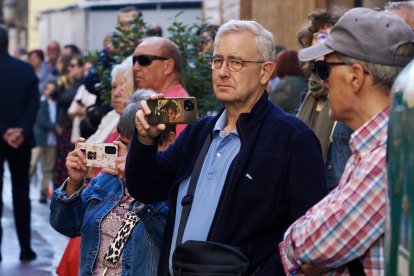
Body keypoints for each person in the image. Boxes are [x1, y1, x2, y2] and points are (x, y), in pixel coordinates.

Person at [126, 19, 327, 274]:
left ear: (265, 72)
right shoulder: (199, 132)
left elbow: (310, 239)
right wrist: (144, 141)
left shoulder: (292, 138)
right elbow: (145, 187)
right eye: (217, 60)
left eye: (236, 62)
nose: (222, 71)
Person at [279, 7, 414, 275]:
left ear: (355, 76)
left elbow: (311, 243)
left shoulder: (388, 156)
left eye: (324, 68)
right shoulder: (371, 147)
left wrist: (296, 246)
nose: (321, 80)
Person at [50, 88, 173, 276]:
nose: (119, 149)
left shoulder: (174, 186)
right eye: (120, 141)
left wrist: (139, 184)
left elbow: (170, 240)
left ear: (166, 142)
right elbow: (66, 225)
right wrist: (74, 183)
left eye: (132, 145)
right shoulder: (107, 180)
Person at [296, 8, 352, 191]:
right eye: (320, 36)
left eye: (333, 36)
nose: (326, 42)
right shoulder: (308, 93)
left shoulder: (350, 96)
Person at [0, 25, 39, 261]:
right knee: (21, 193)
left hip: (4, 137)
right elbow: (34, 104)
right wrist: (20, 130)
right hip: (21, 141)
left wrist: (4, 131)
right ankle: (26, 247)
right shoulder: (25, 69)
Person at [133, 36, 189, 135]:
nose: (135, 67)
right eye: (134, 61)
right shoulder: (165, 102)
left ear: (168, 66)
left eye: (144, 60)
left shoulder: (176, 106)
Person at [30, 80, 60, 203]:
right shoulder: (40, 101)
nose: (50, 91)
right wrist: (55, 127)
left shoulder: (57, 104)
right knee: (31, 164)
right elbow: (41, 119)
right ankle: (23, 187)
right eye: (49, 88)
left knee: (48, 167)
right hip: (40, 138)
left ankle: (43, 191)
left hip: (52, 140)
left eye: (53, 89)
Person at [269, 49, 307, 114]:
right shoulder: (304, 82)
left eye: (276, 62)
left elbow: (269, 106)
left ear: (282, 64)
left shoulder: (286, 84)